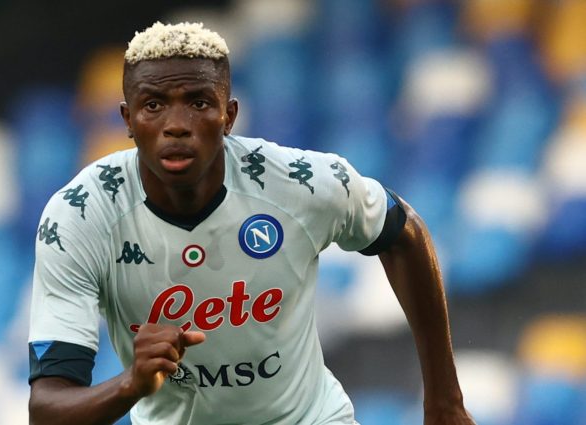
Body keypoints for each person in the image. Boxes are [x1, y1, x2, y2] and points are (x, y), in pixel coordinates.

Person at [27, 21, 475, 425]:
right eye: (154, 105)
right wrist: (130, 385)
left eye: (198, 102)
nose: (176, 125)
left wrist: (445, 400)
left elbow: (403, 232)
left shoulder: (300, 183)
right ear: (128, 120)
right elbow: (47, 410)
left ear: (229, 115)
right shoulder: (80, 216)